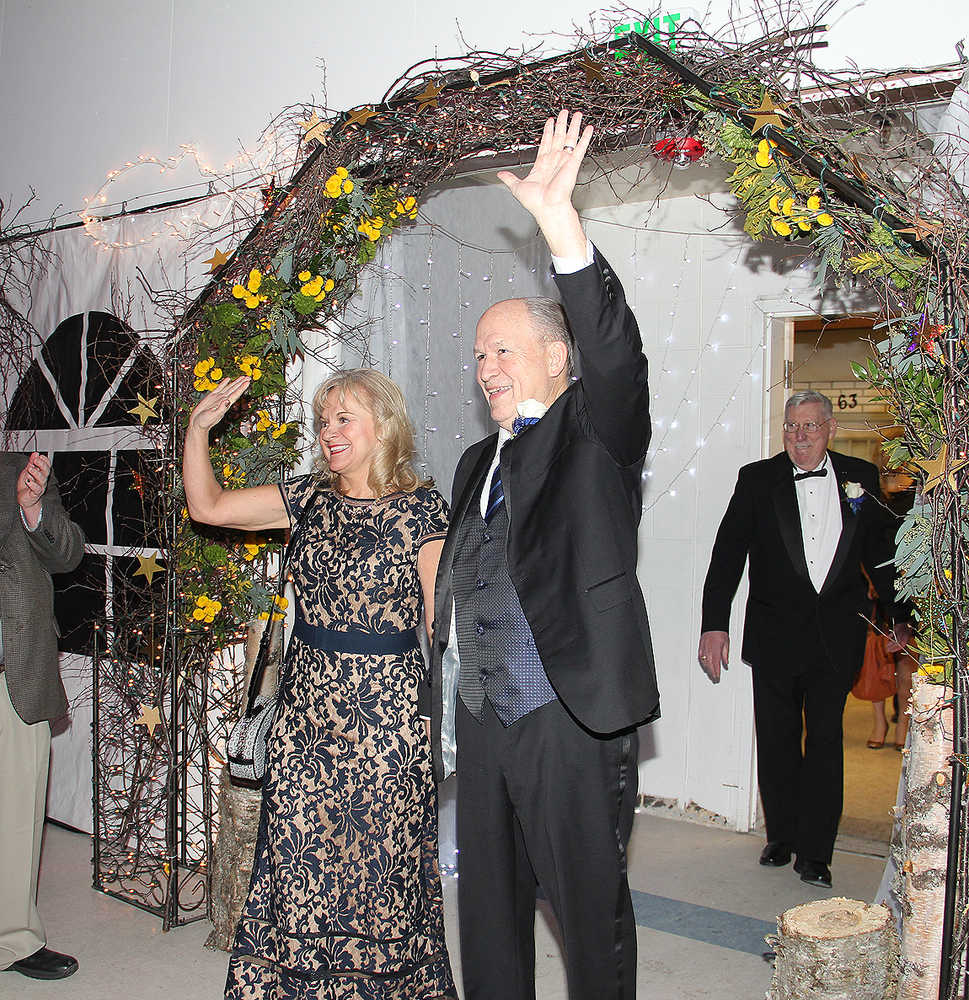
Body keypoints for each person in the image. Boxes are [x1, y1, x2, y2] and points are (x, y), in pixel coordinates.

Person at [429, 110, 659, 1000]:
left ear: (556, 358)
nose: (485, 364)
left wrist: (560, 225)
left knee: (587, 907)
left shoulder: (594, 431)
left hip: (569, 710)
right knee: (486, 909)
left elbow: (616, 354)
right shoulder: (471, 460)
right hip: (484, 713)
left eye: (503, 348)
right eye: (478, 352)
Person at [183, 369, 456, 999]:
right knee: (300, 863)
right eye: (324, 420)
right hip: (307, 716)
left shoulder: (421, 508)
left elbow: (442, 625)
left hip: (386, 721)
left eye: (344, 418)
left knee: (378, 868)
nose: (329, 432)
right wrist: (199, 428)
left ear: (383, 423)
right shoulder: (304, 498)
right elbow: (210, 507)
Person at [698, 390, 910, 888]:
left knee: (825, 741)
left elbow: (882, 554)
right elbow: (727, 554)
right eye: (791, 428)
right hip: (773, 635)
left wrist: (899, 617)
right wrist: (714, 624)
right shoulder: (757, 479)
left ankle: (816, 852)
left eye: (810, 427)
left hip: (838, 635)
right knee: (776, 741)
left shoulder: (861, 477)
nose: (799, 438)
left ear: (830, 428)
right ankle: (783, 835)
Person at [1, 450, 84, 981]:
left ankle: (12, 936)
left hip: (14, 673)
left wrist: (32, 509)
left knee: (15, 813)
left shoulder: (18, 470)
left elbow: (69, 553)